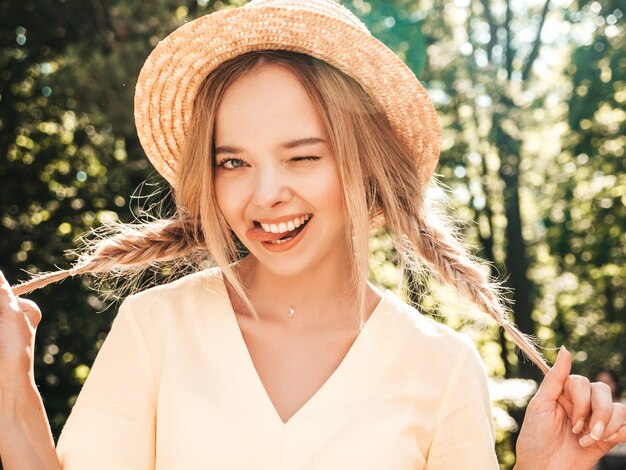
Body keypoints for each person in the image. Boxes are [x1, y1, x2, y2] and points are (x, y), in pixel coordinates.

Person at [0, 1, 624, 468]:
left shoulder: (442, 368)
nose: (266, 192)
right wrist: (10, 388)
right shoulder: (155, 328)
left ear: (365, 167)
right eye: (233, 161)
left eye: (303, 156)